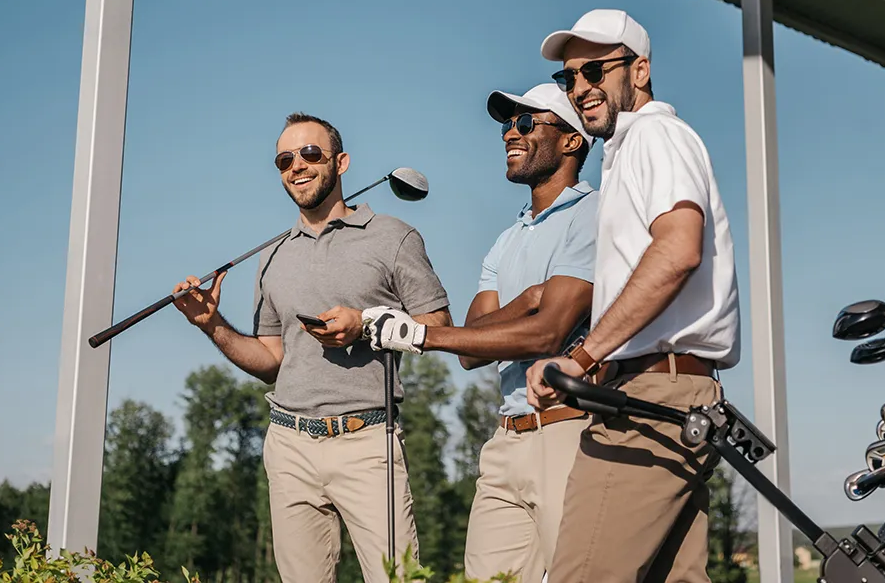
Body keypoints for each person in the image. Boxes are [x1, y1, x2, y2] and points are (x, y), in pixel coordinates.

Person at [171, 112, 452, 583]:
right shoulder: (272, 255)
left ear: (340, 162)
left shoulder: (393, 236)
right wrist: (211, 323)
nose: (296, 166)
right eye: (284, 159)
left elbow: (437, 325)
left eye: (310, 154)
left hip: (367, 441)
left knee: (398, 579)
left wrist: (365, 325)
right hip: (288, 443)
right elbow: (270, 361)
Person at [524, 9, 741, 583]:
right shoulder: (629, 149)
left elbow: (677, 252)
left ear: (639, 70)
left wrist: (580, 357)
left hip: (652, 395)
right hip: (673, 393)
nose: (581, 89)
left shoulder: (655, 135)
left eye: (595, 70)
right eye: (570, 79)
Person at [360, 83, 599, 582]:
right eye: (507, 124)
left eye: (527, 123)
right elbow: (473, 347)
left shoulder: (595, 214)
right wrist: (528, 300)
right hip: (506, 440)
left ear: (572, 140)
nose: (511, 132)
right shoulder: (506, 240)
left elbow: (547, 334)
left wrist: (421, 335)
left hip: (571, 433)